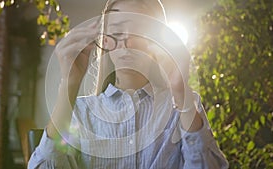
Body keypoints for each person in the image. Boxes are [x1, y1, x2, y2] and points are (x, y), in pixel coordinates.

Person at [28, 0, 229, 168]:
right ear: (104, 41)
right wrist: (69, 85)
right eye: (116, 31)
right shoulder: (80, 113)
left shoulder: (182, 106)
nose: (126, 42)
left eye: (139, 31)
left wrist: (180, 91)